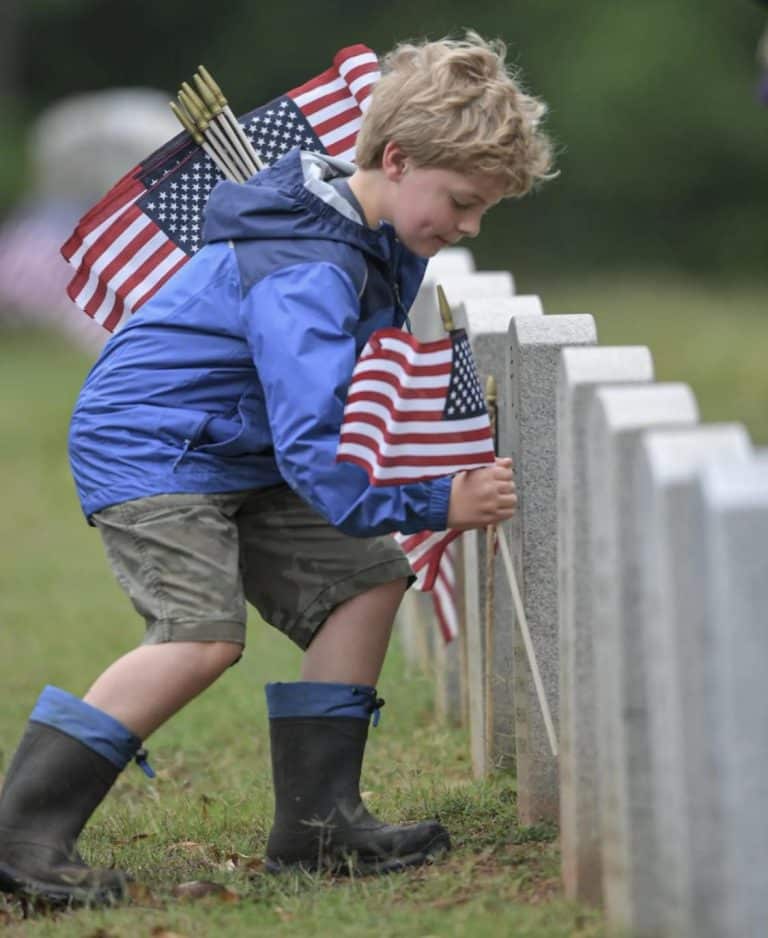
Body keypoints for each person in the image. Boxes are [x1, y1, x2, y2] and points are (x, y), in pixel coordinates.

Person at [0, 31, 552, 905]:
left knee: (365, 580)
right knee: (200, 636)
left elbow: (334, 400)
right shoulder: (311, 263)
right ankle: (22, 835)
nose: (468, 227)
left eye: (483, 211)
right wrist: (436, 495)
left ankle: (319, 825)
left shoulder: (365, 234)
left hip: (242, 447)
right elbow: (317, 441)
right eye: (460, 202)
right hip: (159, 443)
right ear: (397, 159)